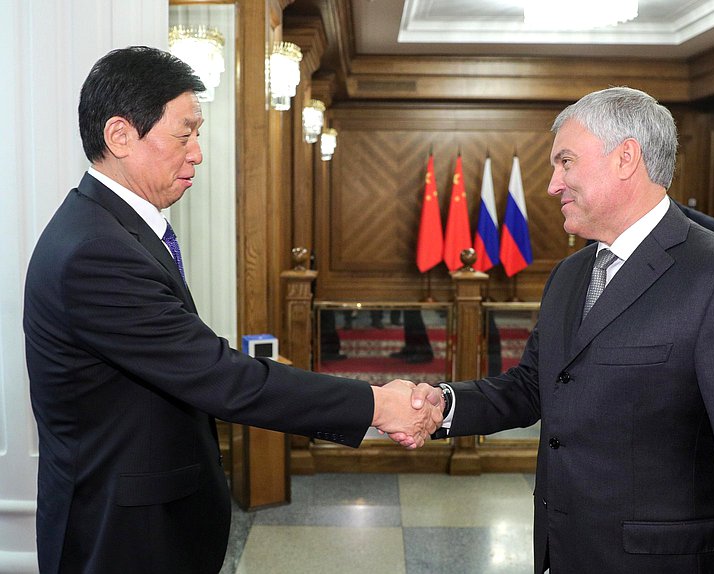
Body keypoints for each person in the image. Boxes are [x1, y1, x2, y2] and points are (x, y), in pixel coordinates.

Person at [23, 46, 441, 574]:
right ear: (120, 135)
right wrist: (378, 405)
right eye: (185, 133)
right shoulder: (95, 251)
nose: (198, 152)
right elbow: (221, 378)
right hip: (120, 534)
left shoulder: (112, 229)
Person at [406, 86, 714, 573]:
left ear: (626, 158)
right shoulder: (571, 273)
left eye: (566, 162)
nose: (553, 185)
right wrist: (443, 406)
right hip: (564, 552)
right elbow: (534, 385)